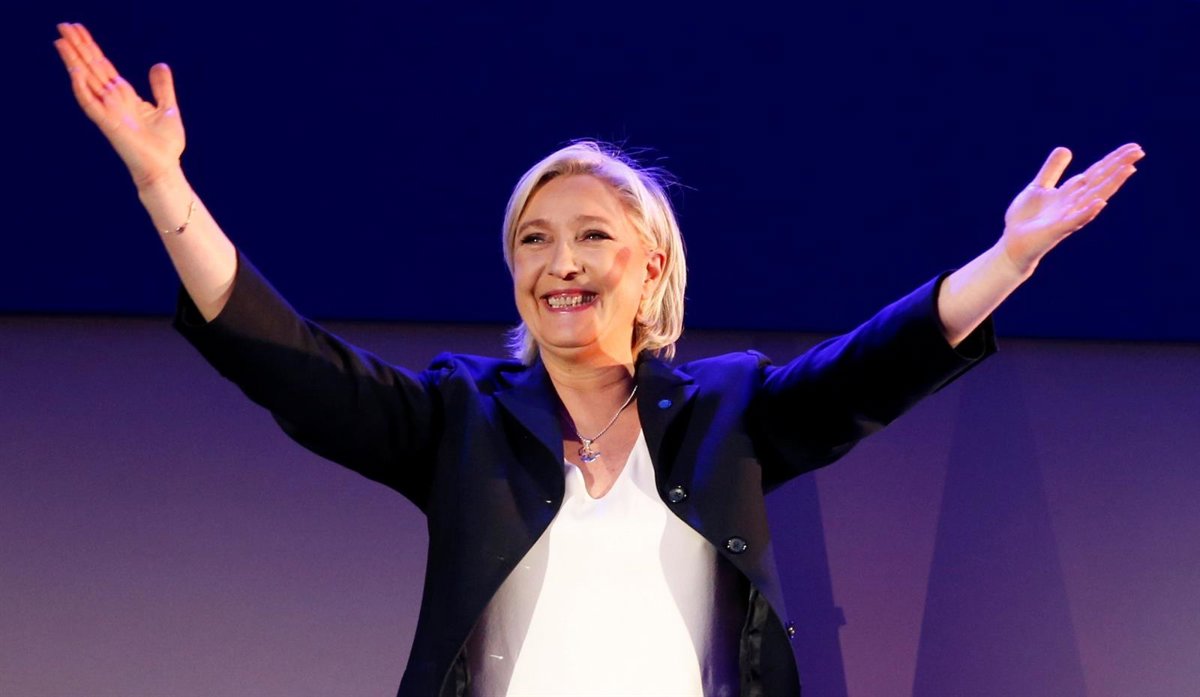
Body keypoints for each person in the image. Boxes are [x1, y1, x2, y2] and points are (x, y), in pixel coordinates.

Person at [54, 21, 1144, 697]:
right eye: (533, 240)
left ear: (652, 261)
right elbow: (285, 359)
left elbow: (877, 364)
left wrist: (1009, 256)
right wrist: (163, 183)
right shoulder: (460, 417)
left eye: (590, 236)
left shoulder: (731, 411)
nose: (560, 263)